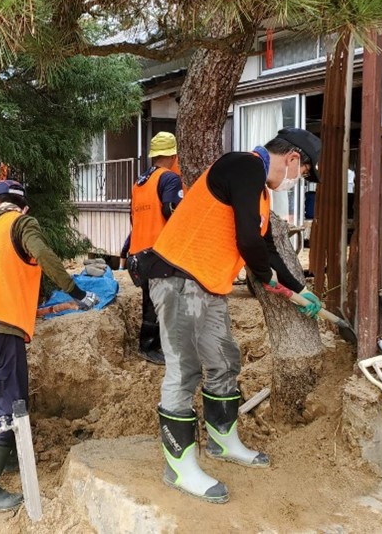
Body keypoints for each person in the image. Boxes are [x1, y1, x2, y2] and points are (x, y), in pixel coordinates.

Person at [146, 127, 323, 503]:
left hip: (208, 286)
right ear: (293, 159)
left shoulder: (257, 193)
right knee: (185, 369)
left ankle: (223, 442)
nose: (297, 180)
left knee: (225, 361)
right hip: (178, 279)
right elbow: (248, 243)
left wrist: (299, 289)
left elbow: (266, 249)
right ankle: (179, 465)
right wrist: (265, 275)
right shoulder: (243, 166)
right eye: (303, 172)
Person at [0, 179, 99, 512]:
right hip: (0, 329)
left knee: (2, 400)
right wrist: (77, 294)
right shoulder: (21, 223)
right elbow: (43, 255)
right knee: (11, 409)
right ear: (24, 208)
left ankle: (4, 458)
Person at [123, 131, 184, 365]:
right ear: (173, 155)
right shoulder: (169, 178)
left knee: (150, 299)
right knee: (164, 301)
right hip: (158, 251)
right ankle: (152, 346)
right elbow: (171, 210)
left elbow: (133, 218)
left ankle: (148, 345)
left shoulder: (140, 182)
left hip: (139, 251)